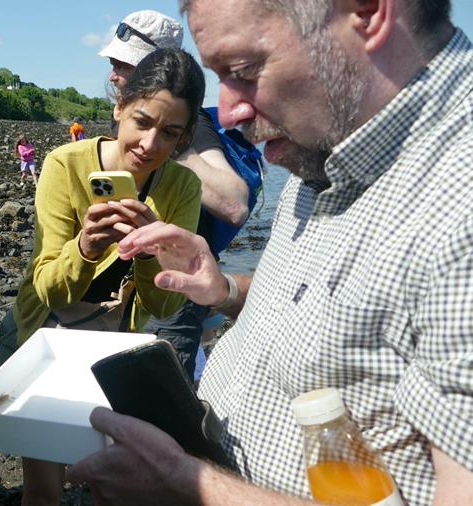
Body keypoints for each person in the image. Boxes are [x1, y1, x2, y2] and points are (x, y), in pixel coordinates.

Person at [67, 0, 473, 504]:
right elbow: (348, 299)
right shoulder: (327, 143)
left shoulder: (459, 202)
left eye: (243, 71)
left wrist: (187, 483)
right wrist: (225, 288)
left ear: (367, 13)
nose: (231, 113)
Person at [3, 47, 205, 506]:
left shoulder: (182, 187)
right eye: (142, 121)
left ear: (184, 137)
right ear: (118, 107)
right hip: (43, 338)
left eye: (170, 133)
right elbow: (48, 288)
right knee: (43, 488)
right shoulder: (64, 165)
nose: (150, 145)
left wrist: (150, 251)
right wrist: (86, 247)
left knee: (112, 482)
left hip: (112, 343)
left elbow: (166, 306)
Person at [99, 9, 263, 378]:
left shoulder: (193, 125)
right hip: (130, 281)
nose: (113, 74)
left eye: (122, 64)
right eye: (113, 63)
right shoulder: (123, 115)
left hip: (178, 286)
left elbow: (234, 203)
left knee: (160, 389)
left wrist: (170, 139)